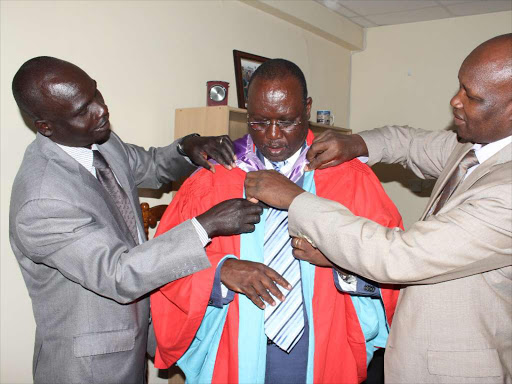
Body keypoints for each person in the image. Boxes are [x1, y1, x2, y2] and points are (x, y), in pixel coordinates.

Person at [244, 34, 512, 383]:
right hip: (412, 352)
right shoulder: (476, 148)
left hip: (456, 367)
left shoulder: (505, 192)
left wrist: (295, 199)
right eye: (459, 87)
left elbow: (397, 255)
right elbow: (410, 143)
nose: (455, 102)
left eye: (472, 97)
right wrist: (356, 141)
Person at [9, 56, 263, 384]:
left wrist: (188, 148)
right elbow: (118, 272)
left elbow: (152, 164)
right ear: (45, 126)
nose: (102, 110)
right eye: (82, 109)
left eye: (96, 94)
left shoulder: (99, 140)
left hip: (134, 341)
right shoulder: (42, 200)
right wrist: (205, 225)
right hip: (89, 367)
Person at [150, 59, 403, 383]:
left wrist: (342, 262)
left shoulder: (352, 178)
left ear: (307, 108)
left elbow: (397, 268)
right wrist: (219, 273)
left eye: (286, 121)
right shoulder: (212, 179)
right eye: (258, 122)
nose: (272, 136)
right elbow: (162, 262)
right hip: (230, 343)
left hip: (326, 345)